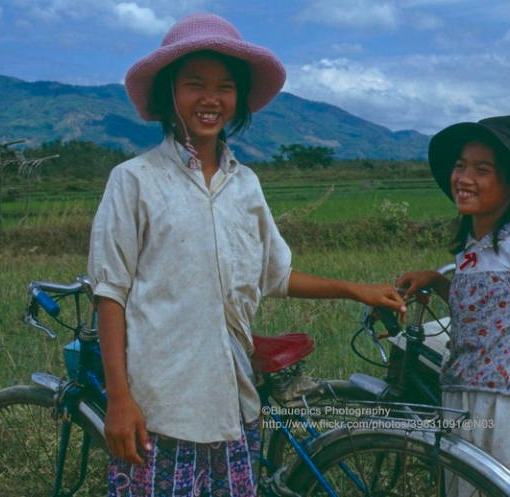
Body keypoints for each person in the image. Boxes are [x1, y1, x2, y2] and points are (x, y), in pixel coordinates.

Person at [87, 12, 405, 496]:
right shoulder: (134, 180)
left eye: (225, 87)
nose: (211, 99)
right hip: (159, 407)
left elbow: (275, 274)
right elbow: (110, 294)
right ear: (169, 94)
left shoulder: (246, 186)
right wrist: (119, 398)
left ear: (238, 100)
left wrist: (353, 290)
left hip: (233, 404)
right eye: (195, 84)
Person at [396, 115, 510, 496]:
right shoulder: (470, 251)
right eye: (460, 165)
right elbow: (484, 314)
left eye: (482, 170)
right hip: (460, 396)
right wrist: (437, 280)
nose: (463, 178)